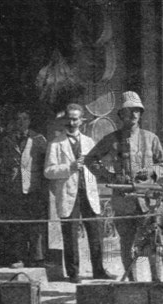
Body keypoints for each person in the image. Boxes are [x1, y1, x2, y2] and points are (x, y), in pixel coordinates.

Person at [85, 91, 163, 282]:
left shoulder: (151, 138)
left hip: (148, 201)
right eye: (129, 111)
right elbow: (90, 159)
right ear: (121, 115)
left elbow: (162, 165)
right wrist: (109, 175)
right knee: (127, 244)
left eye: (137, 111)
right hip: (123, 201)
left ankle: (157, 283)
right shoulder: (111, 139)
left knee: (153, 243)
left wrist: (150, 172)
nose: (133, 115)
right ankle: (132, 283)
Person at [44, 103, 115, 283]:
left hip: (88, 193)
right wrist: (70, 167)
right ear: (64, 120)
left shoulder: (89, 142)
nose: (72, 122)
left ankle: (98, 270)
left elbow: (95, 166)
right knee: (70, 234)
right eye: (69, 119)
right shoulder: (55, 144)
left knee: (95, 232)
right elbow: (48, 171)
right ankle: (74, 273)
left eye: (76, 119)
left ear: (82, 121)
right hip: (68, 194)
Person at [0, 109, 48, 267]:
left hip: (33, 187)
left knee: (35, 224)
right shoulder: (7, 140)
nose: (21, 122)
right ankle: (19, 258)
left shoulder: (38, 139)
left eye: (24, 118)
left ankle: (37, 258)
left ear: (29, 121)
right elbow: (2, 162)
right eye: (18, 119)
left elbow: (45, 162)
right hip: (14, 188)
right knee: (17, 224)